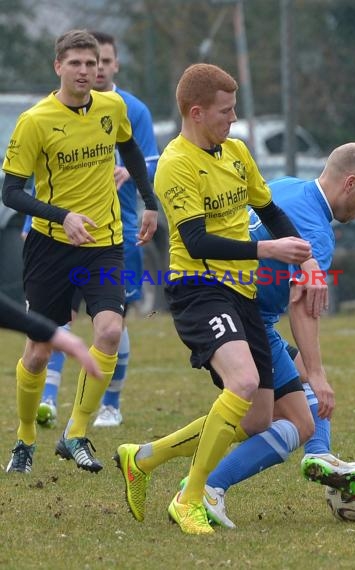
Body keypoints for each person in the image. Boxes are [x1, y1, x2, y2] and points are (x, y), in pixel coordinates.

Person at [114, 63, 327, 535]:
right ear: (196, 112)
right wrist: (268, 250)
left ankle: (143, 458)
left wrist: (307, 260)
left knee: (268, 419)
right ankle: (190, 499)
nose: (233, 120)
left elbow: (267, 208)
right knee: (244, 381)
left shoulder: (235, 152)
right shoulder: (175, 164)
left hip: (241, 294)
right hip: (199, 290)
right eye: (226, 112)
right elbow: (195, 241)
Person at [186, 142, 355, 528]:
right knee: (289, 420)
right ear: (350, 182)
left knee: (274, 409)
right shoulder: (317, 234)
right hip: (247, 317)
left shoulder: (287, 187)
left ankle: (319, 454)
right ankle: (205, 487)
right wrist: (321, 374)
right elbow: (302, 305)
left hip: (219, 301)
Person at [1, 29, 158, 475]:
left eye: (93, 64)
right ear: (58, 67)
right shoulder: (35, 121)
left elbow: (128, 144)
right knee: (37, 350)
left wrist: (149, 203)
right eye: (76, 64)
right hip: (52, 247)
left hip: (105, 242)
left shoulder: (113, 107)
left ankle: (76, 433)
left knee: (108, 331)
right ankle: (26, 438)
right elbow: (10, 192)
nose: (87, 71)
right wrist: (62, 215)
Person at [34, 30, 160, 429]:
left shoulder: (129, 109)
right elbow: (40, 175)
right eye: (87, 62)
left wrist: (137, 181)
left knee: (110, 323)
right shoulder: (53, 113)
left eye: (102, 62)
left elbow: (149, 159)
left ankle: (111, 403)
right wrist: (30, 224)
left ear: (114, 64)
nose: (95, 69)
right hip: (62, 234)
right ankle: (50, 400)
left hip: (117, 233)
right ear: (64, 66)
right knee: (59, 317)